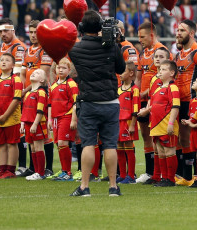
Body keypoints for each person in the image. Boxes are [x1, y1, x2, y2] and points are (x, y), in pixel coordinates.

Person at [69, 10, 126, 198]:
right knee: (110, 145)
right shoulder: (111, 47)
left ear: (82, 28)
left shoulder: (75, 49)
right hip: (110, 101)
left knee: (88, 144)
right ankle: (113, 187)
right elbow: (121, 68)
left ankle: (85, 186)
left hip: (88, 101)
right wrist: (115, 42)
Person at [174, 19, 197, 185]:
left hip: (192, 101)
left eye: (182, 30)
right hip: (178, 101)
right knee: (181, 138)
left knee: (190, 138)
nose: (178, 33)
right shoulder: (178, 53)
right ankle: (184, 175)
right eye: (177, 30)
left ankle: (193, 176)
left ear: (192, 33)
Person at [135, 21, 170, 184]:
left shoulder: (162, 51)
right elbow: (139, 77)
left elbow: (165, 77)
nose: (140, 40)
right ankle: (150, 172)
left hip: (156, 100)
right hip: (142, 99)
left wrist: (145, 92)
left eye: (142, 37)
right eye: (138, 37)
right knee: (146, 136)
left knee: (159, 137)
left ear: (151, 35)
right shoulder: (143, 54)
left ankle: (166, 173)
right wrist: (136, 93)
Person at [138, 60, 181, 187]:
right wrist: (146, 111)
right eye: (159, 69)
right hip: (156, 125)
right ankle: (164, 178)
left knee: (169, 152)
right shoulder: (158, 88)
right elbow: (155, 106)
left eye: (163, 70)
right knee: (160, 152)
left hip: (166, 124)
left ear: (172, 73)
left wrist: (171, 123)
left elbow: (175, 106)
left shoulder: (172, 87)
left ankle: (170, 179)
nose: (160, 72)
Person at [49, 59, 79, 181]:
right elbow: (50, 104)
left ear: (69, 70)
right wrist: (50, 120)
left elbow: (76, 103)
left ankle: (68, 173)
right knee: (59, 144)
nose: (60, 70)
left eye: (63, 68)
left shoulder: (71, 84)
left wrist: (73, 120)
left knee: (63, 143)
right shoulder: (54, 85)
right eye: (58, 68)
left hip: (66, 116)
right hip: (56, 118)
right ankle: (63, 171)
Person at [21, 68, 49, 181]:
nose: (33, 73)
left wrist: (35, 123)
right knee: (32, 147)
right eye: (33, 72)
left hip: (37, 123)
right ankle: (36, 171)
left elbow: (40, 110)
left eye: (37, 73)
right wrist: (22, 123)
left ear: (42, 80)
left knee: (38, 147)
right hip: (28, 123)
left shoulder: (41, 92)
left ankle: (41, 173)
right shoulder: (28, 93)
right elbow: (25, 110)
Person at [117, 62, 139, 184]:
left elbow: (135, 109)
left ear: (131, 73)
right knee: (119, 148)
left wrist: (132, 124)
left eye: (123, 71)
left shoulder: (134, 90)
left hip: (128, 121)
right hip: (118, 122)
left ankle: (131, 176)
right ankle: (122, 174)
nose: (120, 74)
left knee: (128, 148)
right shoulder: (118, 89)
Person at [25, 20, 53, 86]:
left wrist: (25, 91)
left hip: (40, 91)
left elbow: (42, 76)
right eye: (31, 32)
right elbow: (23, 74)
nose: (33, 35)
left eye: (36, 32)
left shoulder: (46, 50)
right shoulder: (27, 51)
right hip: (28, 92)